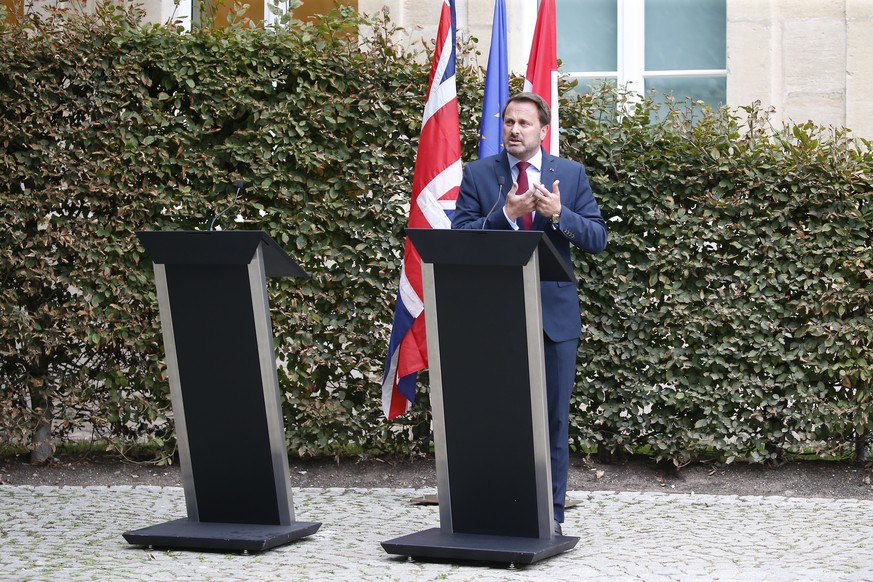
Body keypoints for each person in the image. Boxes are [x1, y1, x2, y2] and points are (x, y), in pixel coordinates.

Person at [451, 92, 608, 536]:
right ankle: (493, 509)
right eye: (509, 122)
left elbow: (597, 237)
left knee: (554, 419)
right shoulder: (481, 174)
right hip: (494, 317)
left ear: (543, 130)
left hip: (553, 319)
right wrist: (505, 214)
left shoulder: (570, 175)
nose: (515, 130)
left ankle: (551, 518)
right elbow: (459, 238)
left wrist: (560, 214)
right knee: (495, 416)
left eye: (524, 123)